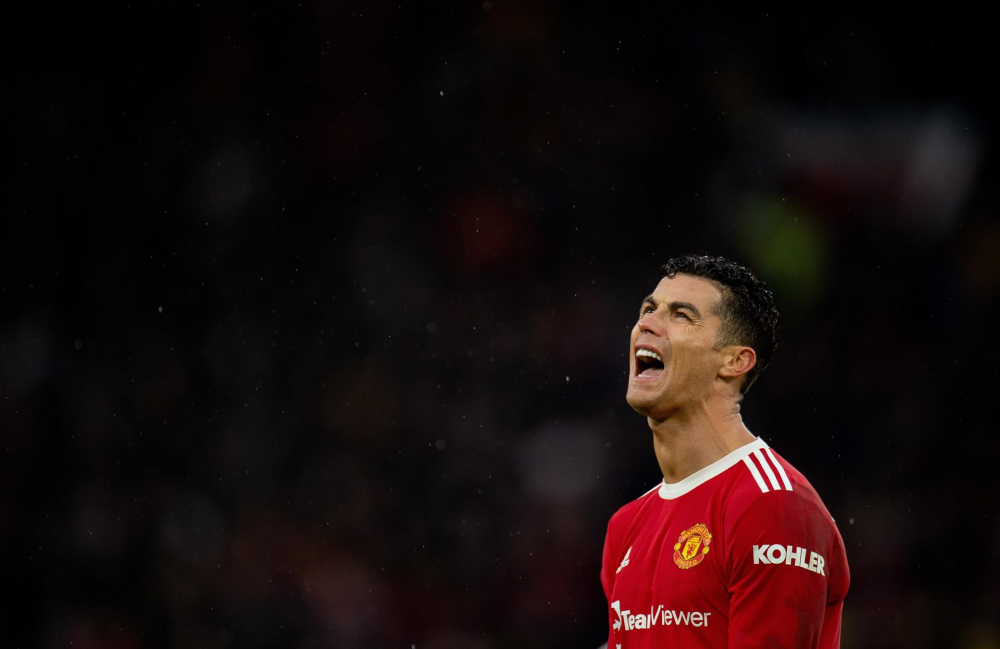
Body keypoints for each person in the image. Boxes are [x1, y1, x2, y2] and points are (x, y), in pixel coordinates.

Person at [601, 255, 849, 648]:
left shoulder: (773, 505)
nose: (646, 323)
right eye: (648, 309)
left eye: (681, 316)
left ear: (734, 361)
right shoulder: (625, 526)